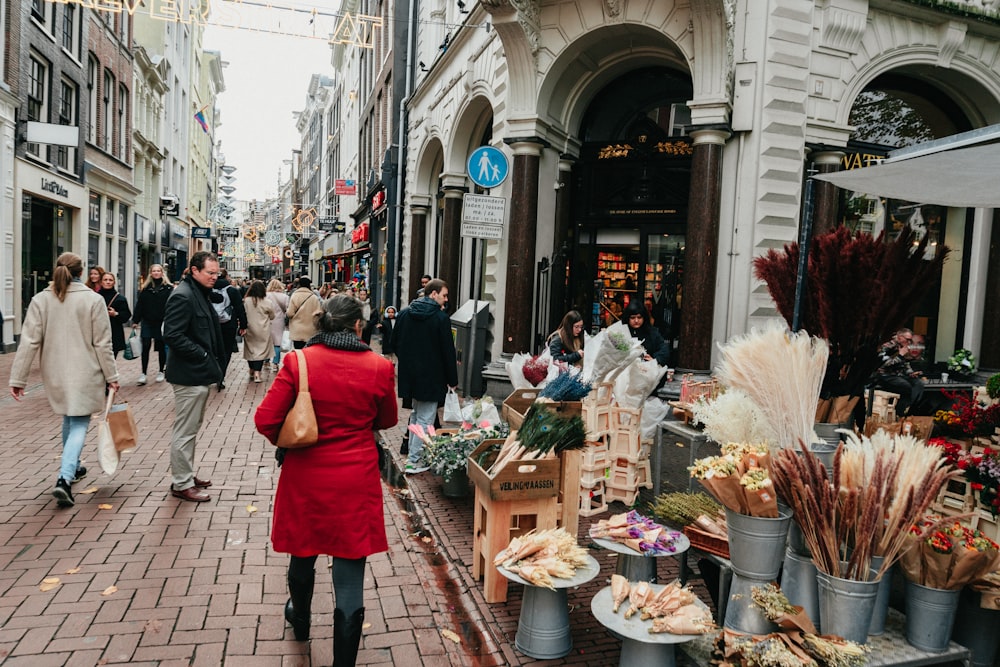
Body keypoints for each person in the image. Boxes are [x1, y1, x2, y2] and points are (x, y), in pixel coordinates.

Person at [254, 295, 397, 663]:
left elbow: (266, 420)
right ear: (357, 327)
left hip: (306, 476)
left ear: (321, 323)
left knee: (302, 551)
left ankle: (299, 618)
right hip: (356, 478)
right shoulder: (380, 367)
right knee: (350, 571)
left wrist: (292, 439)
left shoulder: (298, 362)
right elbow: (387, 420)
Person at [8, 252, 120, 508]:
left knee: (71, 417)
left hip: (55, 372)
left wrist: (19, 379)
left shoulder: (41, 300)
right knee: (79, 422)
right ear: (81, 272)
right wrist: (112, 376)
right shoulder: (93, 300)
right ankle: (64, 478)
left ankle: (75, 466)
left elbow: (29, 341)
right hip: (87, 371)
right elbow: (103, 343)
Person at [162, 251, 227, 503]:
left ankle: (186, 475)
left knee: (191, 428)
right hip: (189, 374)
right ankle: (181, 482)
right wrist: (201, 355)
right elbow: (173, 334)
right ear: (195, 270)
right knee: (185, 430)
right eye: (210, 273)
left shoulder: (195, 292)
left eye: (216, 273)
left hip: (197, 373)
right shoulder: (183, 296)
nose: (214, 277)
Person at [392, 278, 458, 474]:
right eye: (444, 295)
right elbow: (448, 352)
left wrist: (407, 361)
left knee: (416, 415)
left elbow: (394, 342)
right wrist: (452, 380)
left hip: (410, 375)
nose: (446, 300)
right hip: (432, 377)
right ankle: (414, 461)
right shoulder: (441, 319)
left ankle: (413, 457)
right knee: (425, 419)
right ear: (433, 293)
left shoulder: (404, 314)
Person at [131, 264, 173, 385]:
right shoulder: (146, 289)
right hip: (147, 321)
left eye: (158, 271)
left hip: (161, 322)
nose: (156, 273)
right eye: (154, 271)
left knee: (160, 347)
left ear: (162, 272)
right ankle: (143, 373)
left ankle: (161, 371)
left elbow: (171, 306)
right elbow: (140, 305)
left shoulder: (168, 288)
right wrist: (135, 320)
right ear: (150, 273)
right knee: (145, 346)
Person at [874, 328, 924, 416]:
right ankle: (901, 412)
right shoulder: (887, 346)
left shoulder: (903, 347)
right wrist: (900, 356)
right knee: (906, 386)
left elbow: (905, 363)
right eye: (907, 340)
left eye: (910, 340)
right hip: (885, 375)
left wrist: (910, 373)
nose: (909, 342)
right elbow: (882, 364)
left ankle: (911, 409)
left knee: (918, 383)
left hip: (899, 375)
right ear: (900, 337)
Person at [212, 269, 247, 389]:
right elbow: (239, 308)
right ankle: (221, 377)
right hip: (228, 324)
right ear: (226, 276)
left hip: (211, 324)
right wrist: (243, 325)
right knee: (226, 351)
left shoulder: (208, 288)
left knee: (213, 349)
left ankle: (213, 372)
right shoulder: (232, 290)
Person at [243, 280, 275, 383]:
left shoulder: (246, 301)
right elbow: (272, 316)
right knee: (261, 351)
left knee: (250, 349)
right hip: (263, 329)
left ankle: (251, 369)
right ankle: (257, 373)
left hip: (249, 328)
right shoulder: (267, 302)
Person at [621, 301, 670, 365]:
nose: (636, 321)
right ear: (627, 318)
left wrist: (655, 359)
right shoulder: (622, 333)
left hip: (647, 370)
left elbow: (664, 349)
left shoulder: (652, 332)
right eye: (632, 317)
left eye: (639, 317)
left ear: (644, 318)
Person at [98, 272, 132, 358]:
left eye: (110, 280)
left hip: (114, 333)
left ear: (114, 282)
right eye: (105, 280)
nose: (108, 282)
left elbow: (126, 316)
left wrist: (116, 314)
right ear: (101, 282)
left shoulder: (120, 298)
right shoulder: (95, 297)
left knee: (111, 360)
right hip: (98, 332)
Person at [286, 276, 323, 350]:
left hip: (297, 329)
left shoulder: (295, 296)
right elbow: (319, 314)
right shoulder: (314, 297)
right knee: (308, 352)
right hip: (311, 330)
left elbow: (290, 313)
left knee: (299, 352)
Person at [266, 278, 290, 369]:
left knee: (268, 341)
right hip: (279, 321)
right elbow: (287, 310)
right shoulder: (284, 297)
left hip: (267, 320)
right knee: (277, 342)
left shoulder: (266, 295)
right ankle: (275, 363)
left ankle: (266, 360)